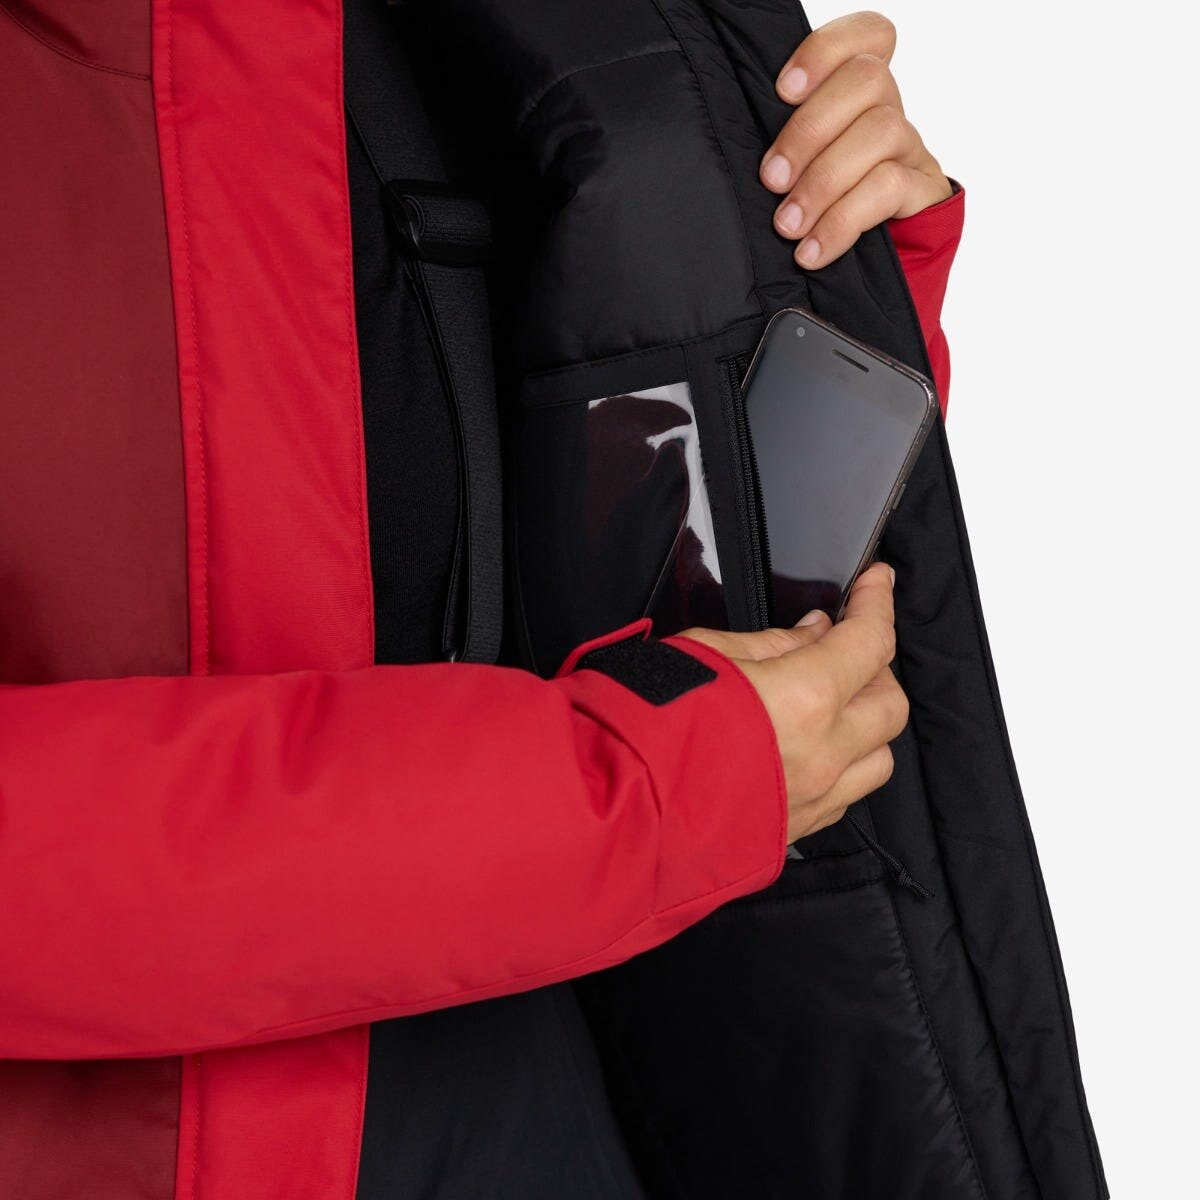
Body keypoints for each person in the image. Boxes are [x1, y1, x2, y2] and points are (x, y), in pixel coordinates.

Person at [0, 4, 968, 1197]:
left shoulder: (446, 36)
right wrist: (639, 795)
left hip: (582, 1105)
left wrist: (833, 267)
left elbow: (558, 542)